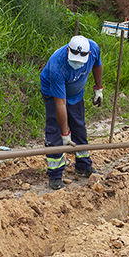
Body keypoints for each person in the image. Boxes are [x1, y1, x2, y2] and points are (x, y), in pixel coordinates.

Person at [39, 35, 103, 190]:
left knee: (79, 127)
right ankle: (55, 175)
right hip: (53, 92)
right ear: (68, 50)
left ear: (88, 55)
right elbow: (60, 103)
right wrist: (65, 133)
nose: (76, 64)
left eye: (80, 62)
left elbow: (97, 65)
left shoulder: (93, 49)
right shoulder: (57, 65)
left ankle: (83, 166)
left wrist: (98, 88)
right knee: (55, 130)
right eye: (74, 60)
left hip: (76, 93)